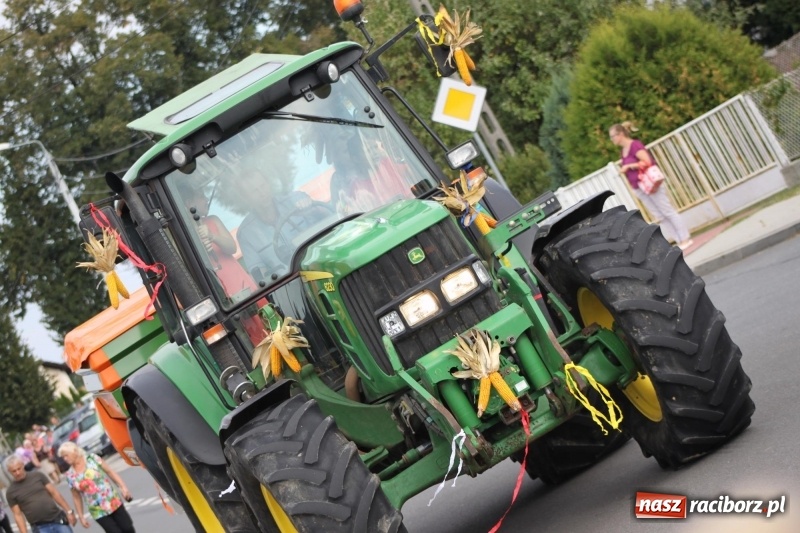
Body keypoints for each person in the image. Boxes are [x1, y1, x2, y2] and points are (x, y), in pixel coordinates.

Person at [610, 122, 694, 250]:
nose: (612, 139)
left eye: (613, 136)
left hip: (649, 183)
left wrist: (629, 166)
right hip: (639, 187)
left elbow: (647, 161)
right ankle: (678, 240)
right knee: (659, 215)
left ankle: (685, 238)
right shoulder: (623, 152)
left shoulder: (635, 145)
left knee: (667, 211)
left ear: (620, 134)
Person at [58, 442, 134, 533]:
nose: (65, 459)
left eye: (66, 455)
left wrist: (123, 487)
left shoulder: (92, 459)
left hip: (113, 501)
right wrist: (81, 516)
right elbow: (76, 496)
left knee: (127, 528)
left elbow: (110, 472)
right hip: (97, 510)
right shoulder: (70, 475)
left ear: (74, 451)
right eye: (63, 457)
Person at [4, 454, 77, 533]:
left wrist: (69, 511)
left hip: (57, 519)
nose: (17, 472)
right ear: (9, 471)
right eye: (14, 471)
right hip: (39, 527)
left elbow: (55, 493)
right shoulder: (11, 492)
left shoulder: (38, 476)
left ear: (22, 465)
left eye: (19, 468)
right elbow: (18, 515)